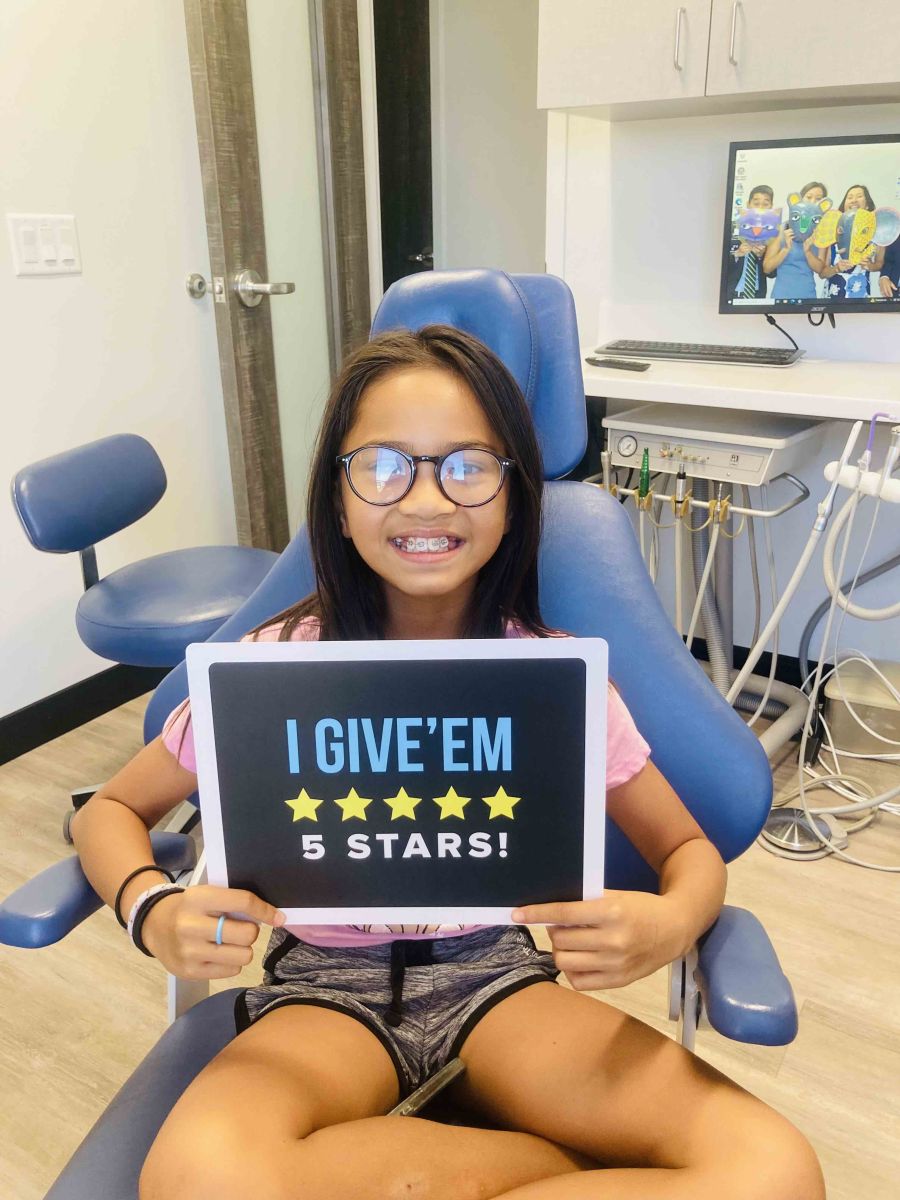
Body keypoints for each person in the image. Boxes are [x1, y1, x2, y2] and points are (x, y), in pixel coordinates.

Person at [72, 326, 825, 1200]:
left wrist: (673, 923)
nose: (426, 499)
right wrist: (149, 906)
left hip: (497, 982)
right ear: (339, 499)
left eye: (467, 466)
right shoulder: (275, 669)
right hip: (321, 993)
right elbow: (108, 812)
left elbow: (688, 853)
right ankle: (548, 1172)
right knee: (196, 1180)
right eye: (384, 466)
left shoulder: (555, 680)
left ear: (512, 496)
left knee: (773, 1173)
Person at [763, 181, 830, 300]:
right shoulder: (782, 229)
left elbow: (820, 269)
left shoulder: (821, 235)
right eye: (809, 197)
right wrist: (786, 249)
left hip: (808, 298)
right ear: (799, 199)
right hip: (780, 297)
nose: (812, 202)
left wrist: (808, 251)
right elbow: (767, 268)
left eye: (818, 199)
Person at [821, 183, 885, 298]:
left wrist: (869, 266)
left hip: (861, 302)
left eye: (859, 196)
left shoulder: (875, 234)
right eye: (849, 197)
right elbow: (822, 273)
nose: (854, 200)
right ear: (844, 206)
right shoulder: (833, 234)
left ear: (867, 206)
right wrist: (836, 268)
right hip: (831, 303)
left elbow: (880, 263)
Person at [726, 184, 774, 300]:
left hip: (757, 297)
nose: (760, 208)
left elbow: (772, 274)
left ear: (771, 207)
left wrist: (761, 257)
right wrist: (737, 254)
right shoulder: (732, 228)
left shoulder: (772, 233)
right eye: (756, 203)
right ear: (748, 204)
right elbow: (718, 265)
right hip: (732, 296)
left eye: (765, 204)